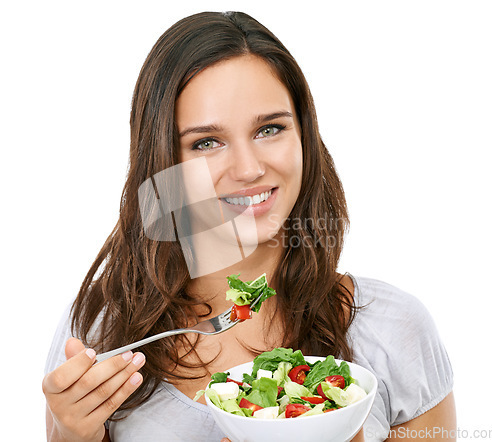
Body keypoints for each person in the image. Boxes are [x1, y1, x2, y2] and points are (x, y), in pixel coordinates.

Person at [43, 11, 456, 441]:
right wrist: (70, 437)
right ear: (163, 163)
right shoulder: (100, 333)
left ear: (305, 138)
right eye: (206, 142)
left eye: (269, 129)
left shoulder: (394, 330)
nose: (248, 168)